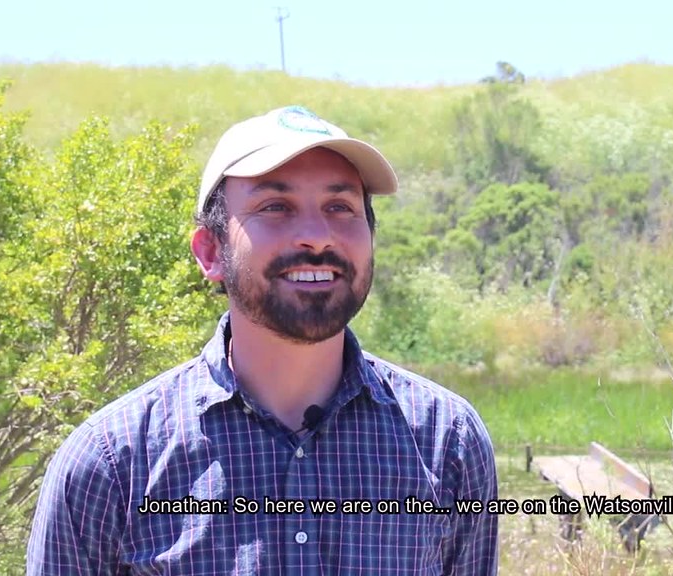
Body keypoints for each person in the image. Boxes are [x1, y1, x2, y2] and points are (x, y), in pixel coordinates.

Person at [27, 105, 499, 575]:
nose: (317, 237)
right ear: (211, 252)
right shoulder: (111, 464)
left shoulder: (446, 440)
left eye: (340, 207)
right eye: (276, 207)